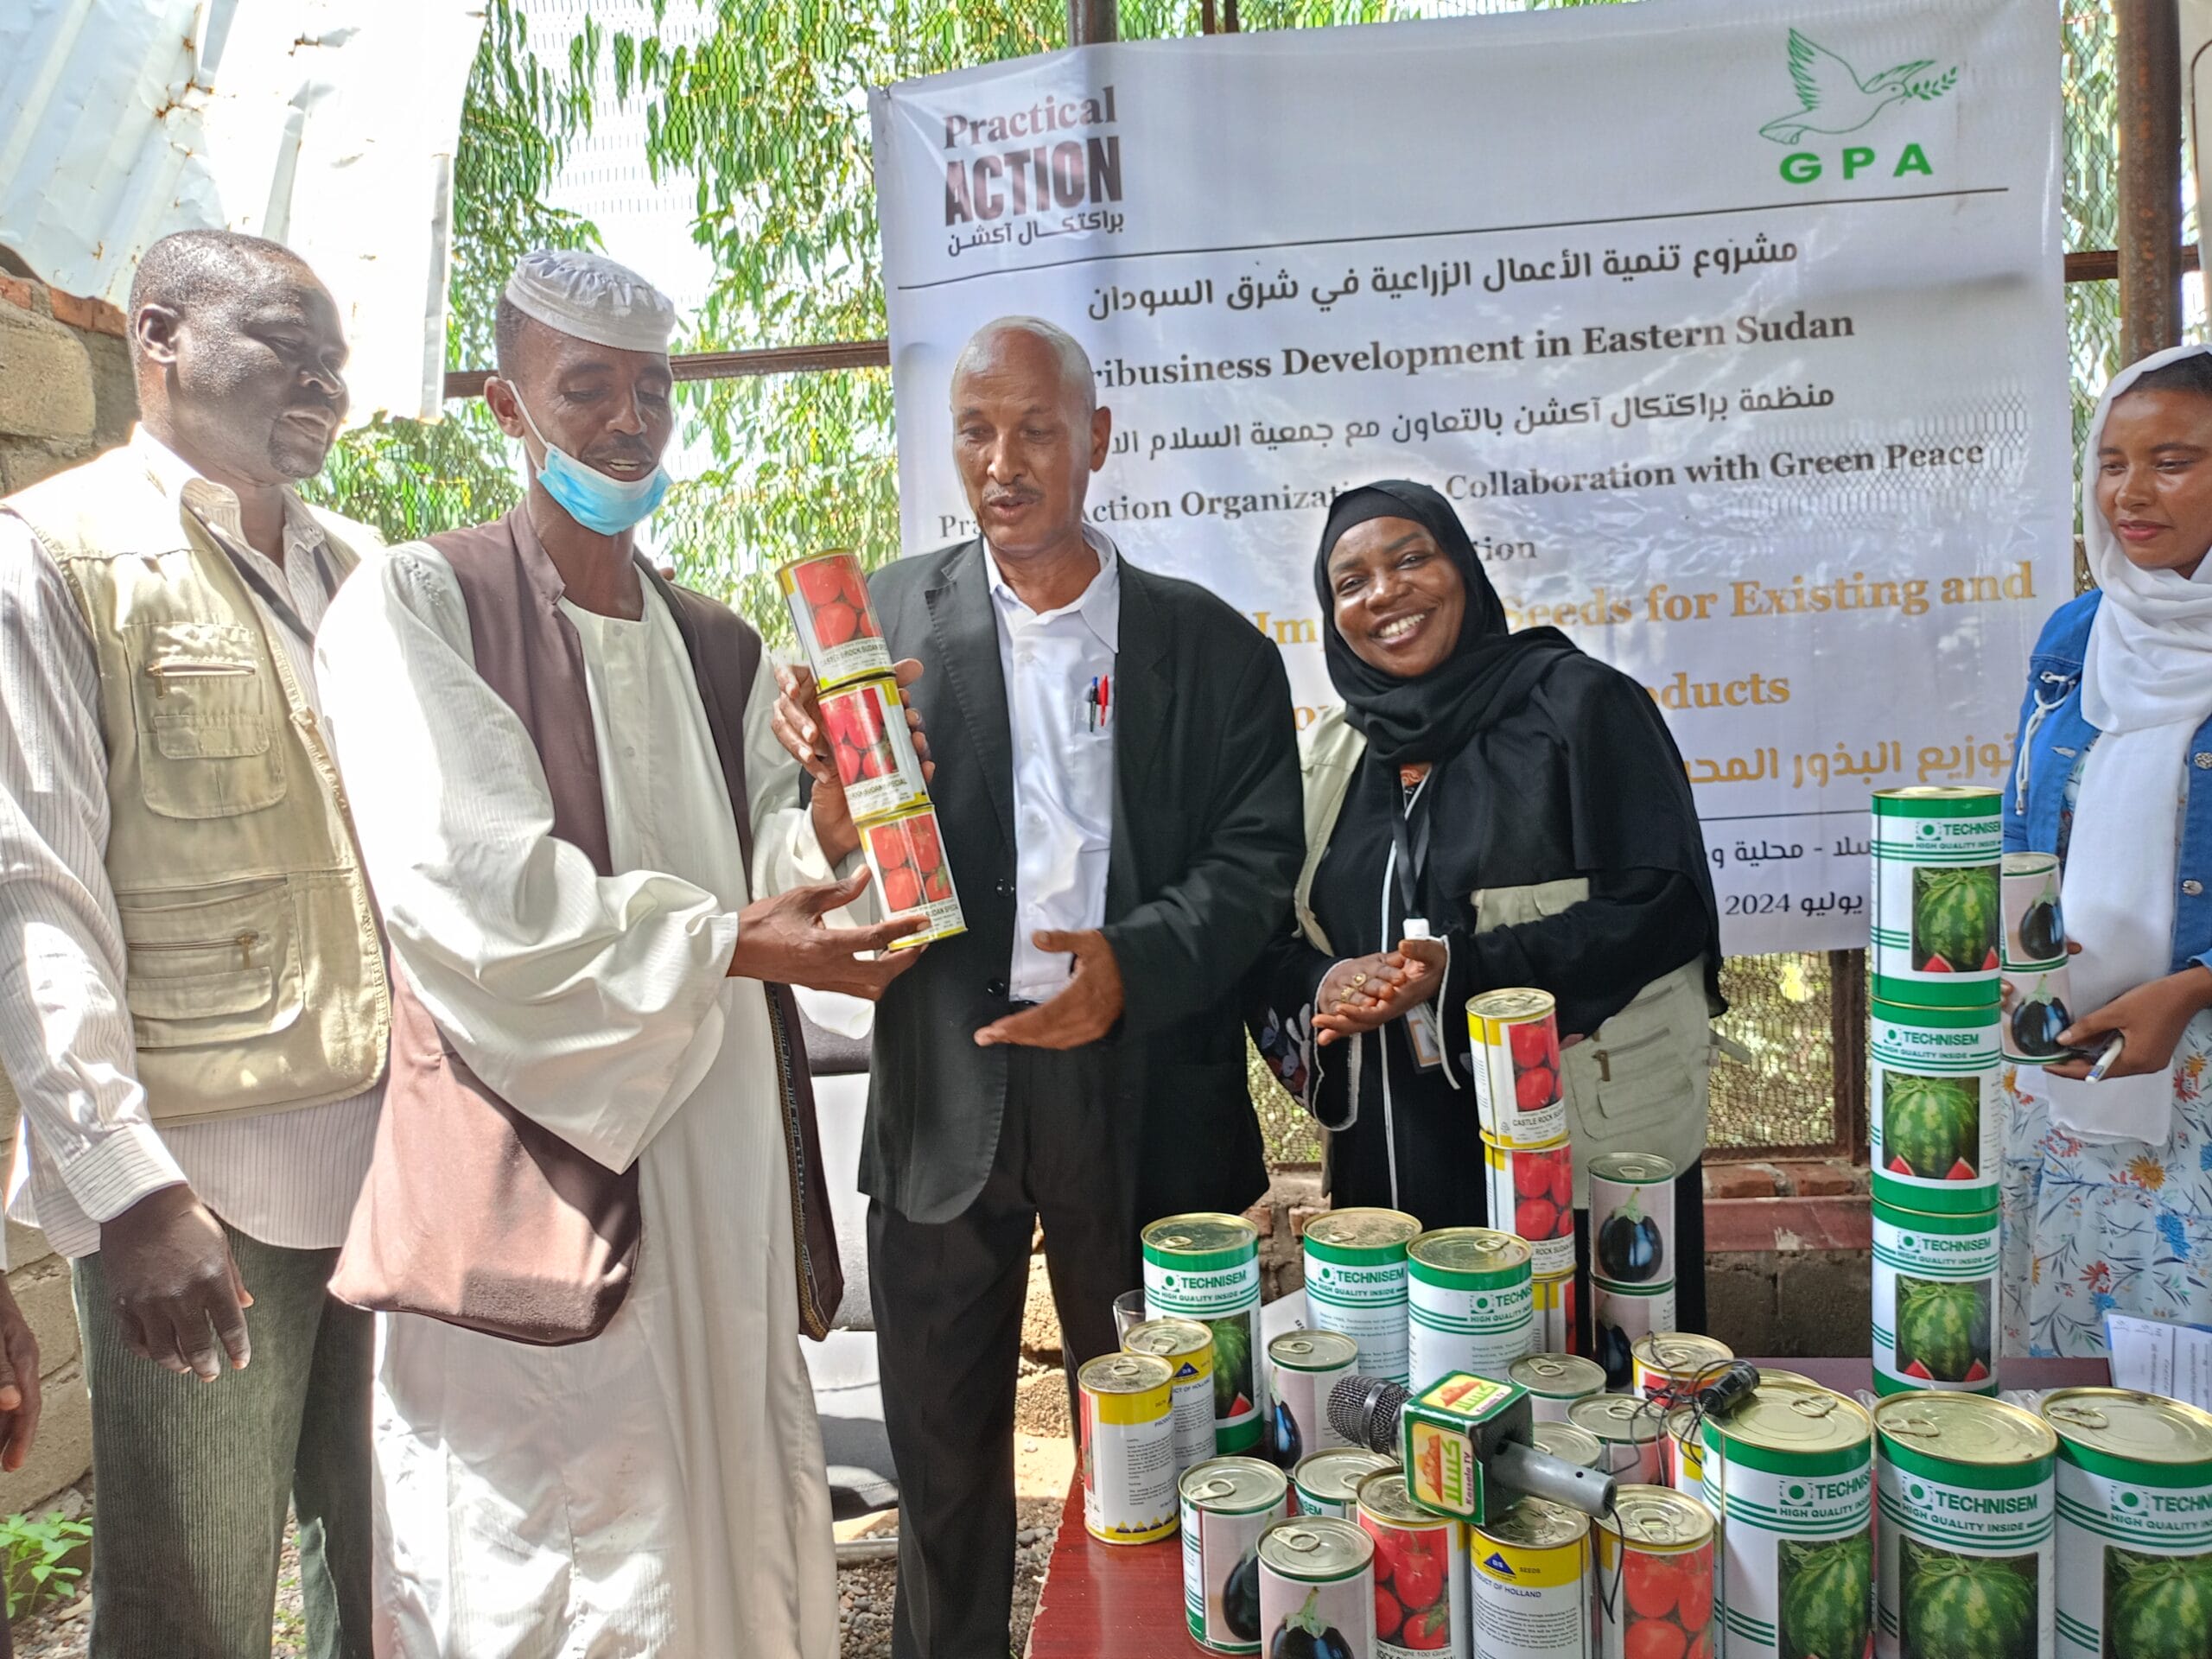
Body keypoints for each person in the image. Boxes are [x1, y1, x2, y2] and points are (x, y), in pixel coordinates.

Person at [312, 249, 923, 1656]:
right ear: (505, 408)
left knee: (727, 1529)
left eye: (650, 389)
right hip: (548, 1159)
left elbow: (789, 873)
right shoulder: (419, 604)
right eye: (585, 388)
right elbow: (481, 900)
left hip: (721, 1159)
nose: (627, 420)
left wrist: (836, 822)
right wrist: (728, 946)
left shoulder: (723, 645)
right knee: (559, 1560)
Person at [774, 315, 1301, 1658]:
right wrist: (832, 814)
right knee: (941, 1471)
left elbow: (1255, 867)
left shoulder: (1215, 650)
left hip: (1146, 1097)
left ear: (1097, 443)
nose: (1002, 462)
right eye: (974, 430)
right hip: (949, 1092)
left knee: (1169, 1456)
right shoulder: (880, 622)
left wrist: (1133, 966)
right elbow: (817, 855)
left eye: (1035, 430)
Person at [0, 230, 384, 1657]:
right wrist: (128, 1193)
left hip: (393, 1173)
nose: (325, 389)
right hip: (201, 1194)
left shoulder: (364, 574)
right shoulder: (54, 557)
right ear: (156, 336)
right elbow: (31, 889)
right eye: (290, 348)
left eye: (337, 363)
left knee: (399, 1592)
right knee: (191, 1617)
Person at [1251, 480, 1723, 1332]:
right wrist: (1324, 984)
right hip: (1398, 1164)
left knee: (1598, 1406)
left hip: (1572, 1154)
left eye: (1409, 559)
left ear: (1463, 570)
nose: (1384, 593)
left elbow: (1662, 906)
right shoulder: (1329, 754)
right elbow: (1271, 937)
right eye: (1350, 582)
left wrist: (1465, 971)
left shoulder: (1581, 706)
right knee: (1429, 1406)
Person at [2001, 343, 2212, 1357]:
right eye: (2112, 462)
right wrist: (2009, 961)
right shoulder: (2079, 634)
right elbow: (2025, 824)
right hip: (2074, 1057)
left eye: (2172, 460)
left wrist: (2189, 990)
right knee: (2079, 1364)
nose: (2130, 492)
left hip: (2197, 1059)